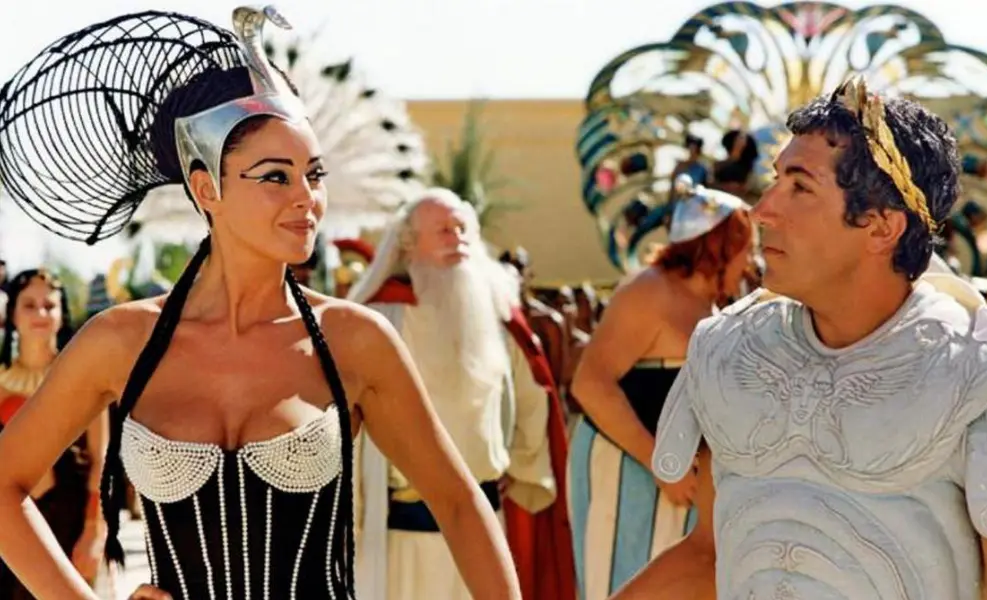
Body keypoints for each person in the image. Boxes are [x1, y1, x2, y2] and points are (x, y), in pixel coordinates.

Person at [0, 7, 520, 600]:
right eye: (275, 176)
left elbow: (459, 503)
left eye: (314, 175)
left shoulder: (354, 339)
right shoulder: (120, 340)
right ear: (206, 188)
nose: (306, 198)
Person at [640, 77, 987, 599]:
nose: (762, 211)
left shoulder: (978, 370)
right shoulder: (731, 351)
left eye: (800, 187)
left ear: (882, 227)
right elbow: (709, 553)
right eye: (776, 180)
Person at [348, 188, 575, 600]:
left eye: (462, 228)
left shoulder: (497, 316)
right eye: (443, 230)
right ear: (409, 244)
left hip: (486, 528)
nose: (457, 238)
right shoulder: (382, 319)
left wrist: (520, 467)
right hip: (405, 535)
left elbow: (530, 398)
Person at [569, 183, 753, 599]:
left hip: (680, 486)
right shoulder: (650, 291)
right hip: (625, 470)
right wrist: (659, 462)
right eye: (746, 249)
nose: (749, 263)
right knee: (620, 580)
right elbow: (590, 384)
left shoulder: (713, 308)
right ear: (721, 246)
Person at [0, 269, 114, 600]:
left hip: (71, 520)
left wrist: (95, 531)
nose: (40, 313)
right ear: (13, 315)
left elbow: (102, 460)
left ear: (62, 313)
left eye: (49, 305)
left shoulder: (83, 379)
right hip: (9, 530)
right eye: (29, 305)